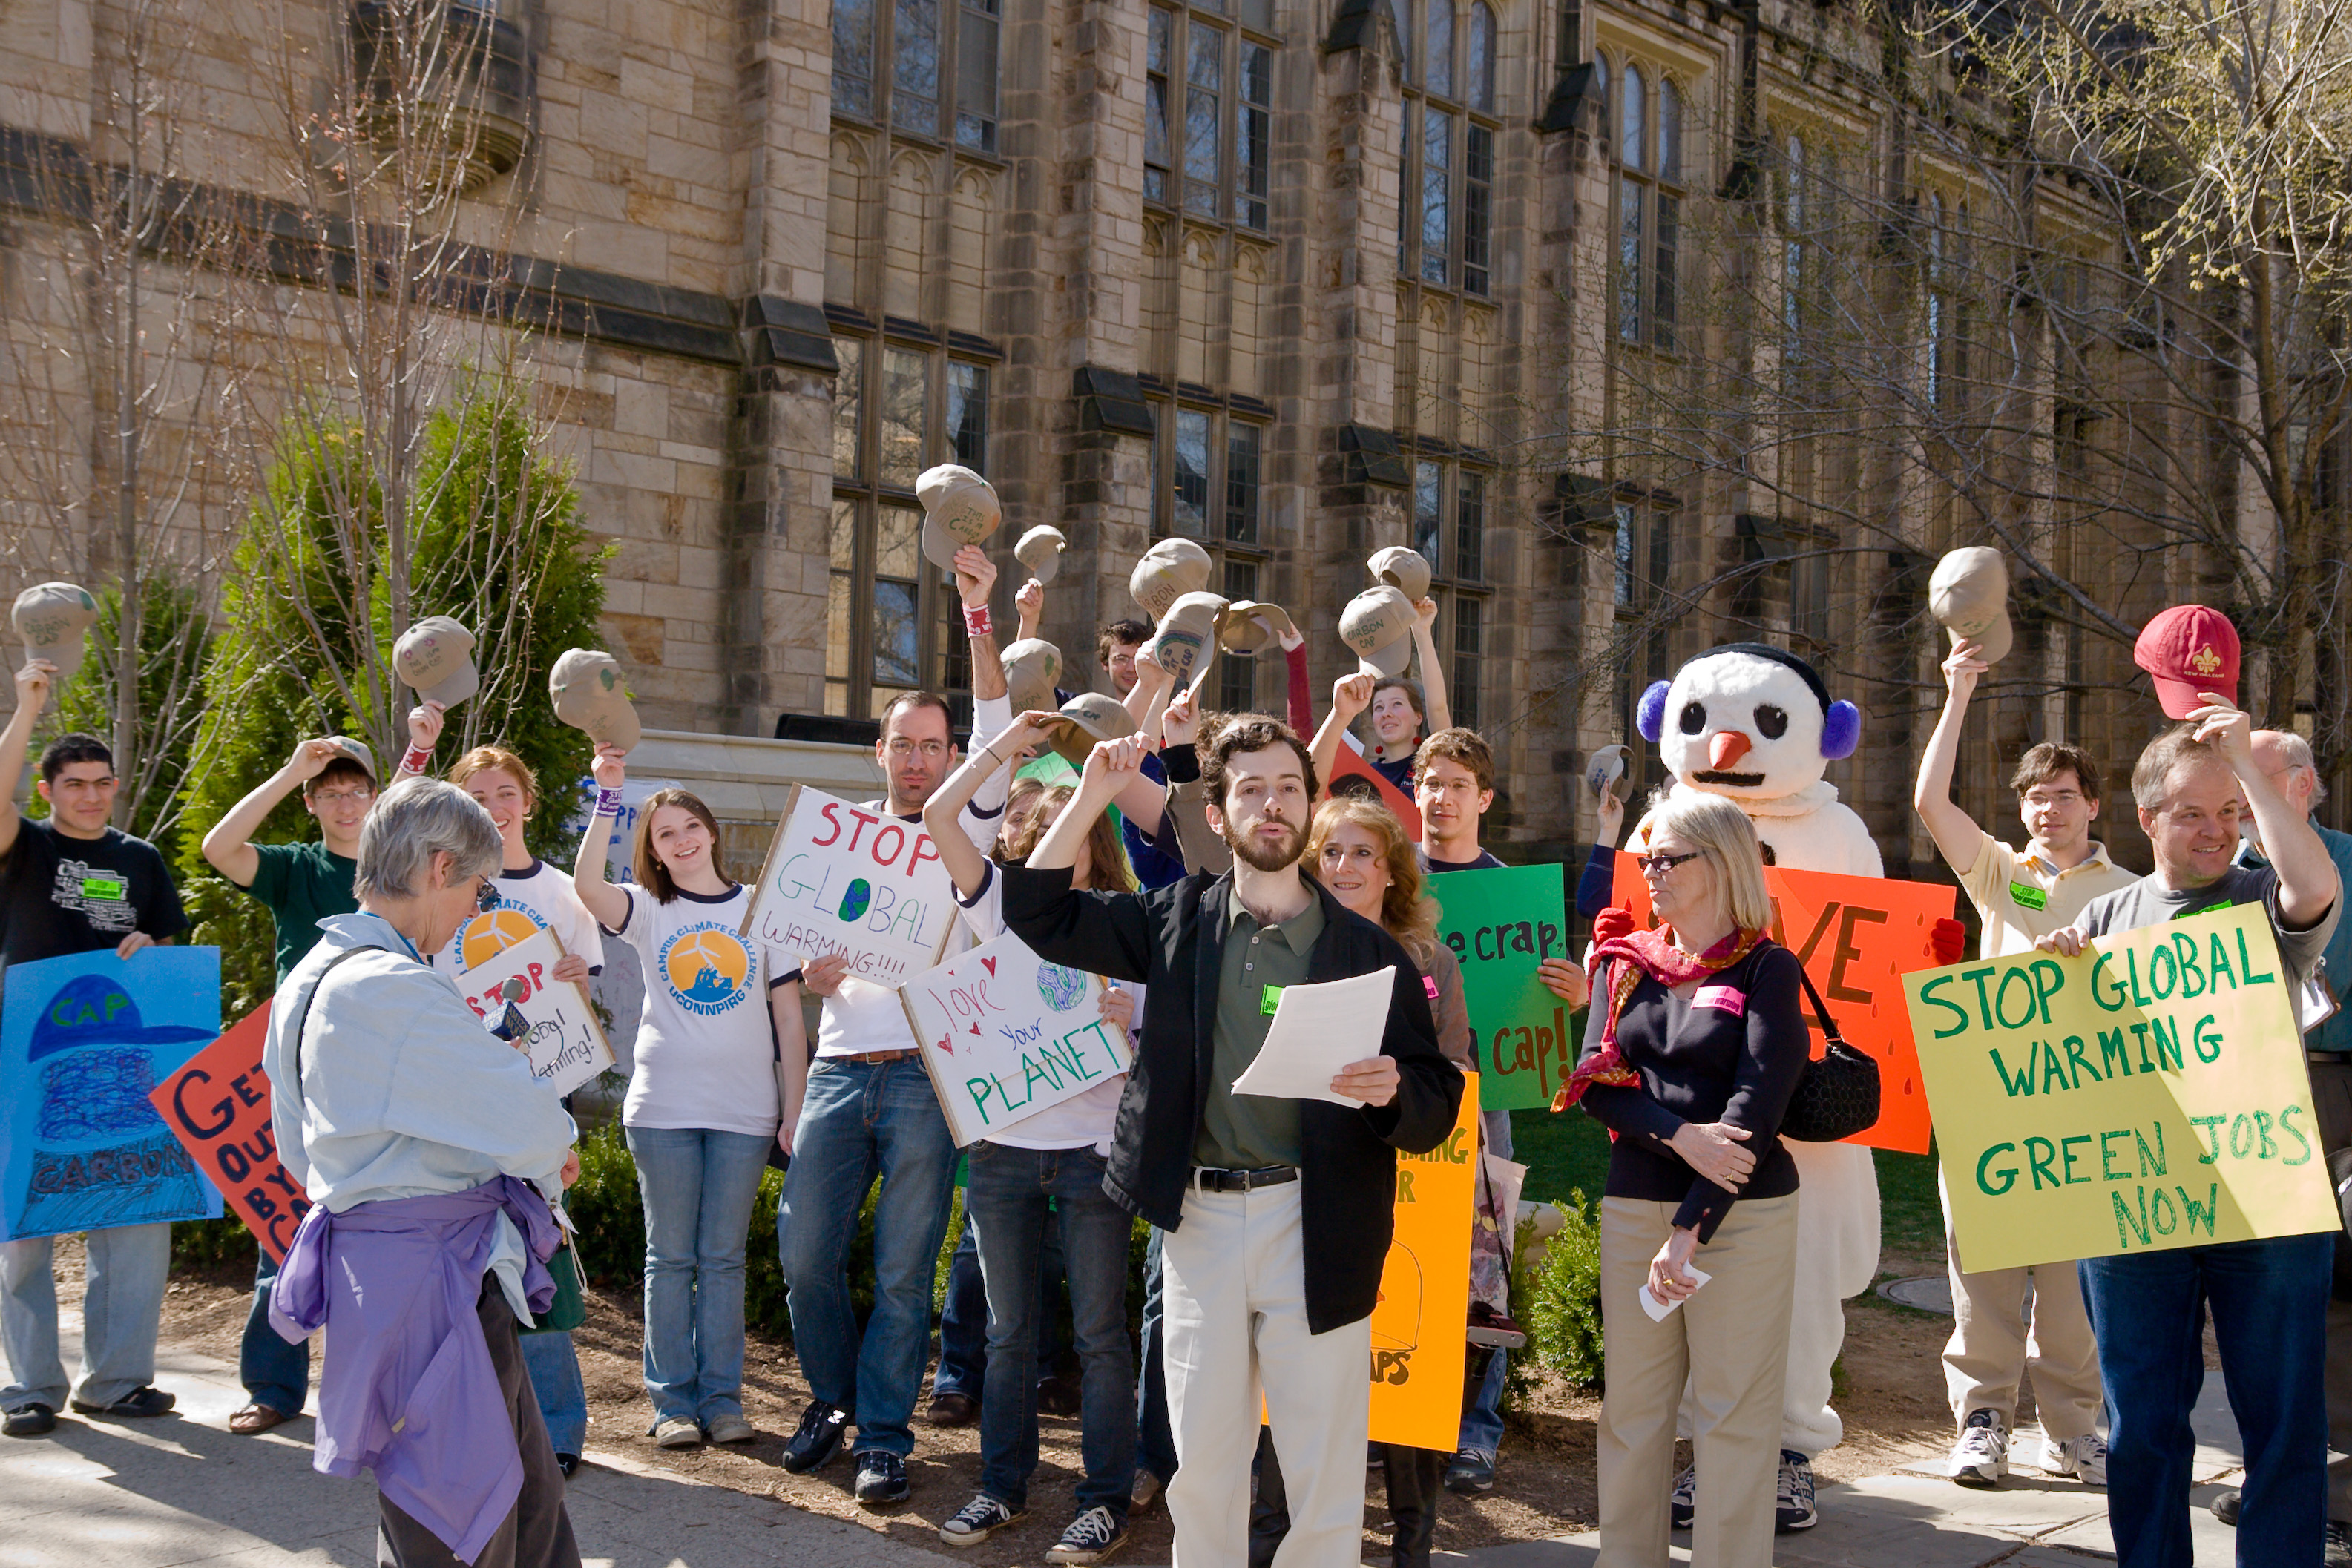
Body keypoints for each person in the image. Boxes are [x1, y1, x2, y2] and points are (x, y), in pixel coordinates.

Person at [1000, 714, 1462, 1565]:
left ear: (1308, 804)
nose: (1272, 803)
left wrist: (1395, 1087)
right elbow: (1034, 907)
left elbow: (1435, 1095)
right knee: (1203, 1469)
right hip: (1199, 1224)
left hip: (1317, 1224)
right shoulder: (1172, 919)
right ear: (1217, 814)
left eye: (1288, 786)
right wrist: (1093, 794)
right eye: (1249, 788)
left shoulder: (1368, 952)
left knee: (1321, 1475)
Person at [2034, 704, 2341, 1568]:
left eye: (2230, 812)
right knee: (2139, 1424)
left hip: (2266, 1208)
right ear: (2145, 819)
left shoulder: (2262, 898)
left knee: (2283, 1421)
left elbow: (2314, 888)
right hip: (2138, 1210)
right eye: (2191, 813)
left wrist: (2245, 764)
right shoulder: (2104, 919)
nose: (2216, 832)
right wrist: (2059, 981)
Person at [261, 777, 582, 1568]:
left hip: (395, 1272)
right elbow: (534, 1124)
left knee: (516, 1508)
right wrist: (544, 1145)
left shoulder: (311, 973)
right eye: (477, 885)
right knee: (458, 1518)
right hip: (436, 1286)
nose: (477, 907)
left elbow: (294, 1143)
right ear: (441, 867)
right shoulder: (391, 989)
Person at [779, 544, 1013, 1506]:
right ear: (877, 753)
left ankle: (882, 1434)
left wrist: (978, 617)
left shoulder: (968, 827)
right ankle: (833, 1401)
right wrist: (812, 971)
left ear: (951, 759)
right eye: (902, 745)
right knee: (803, 1255)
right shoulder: (838, 840)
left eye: (933, 746)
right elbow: (797, 954)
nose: (918, 760)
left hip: (923, 1074)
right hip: (839, 1068)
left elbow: (1001, 722)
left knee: (903, 1272)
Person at [1566, 791, 1811, 1568]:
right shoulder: (1624, 961)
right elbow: (1593, 1084)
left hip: (1741, 1216)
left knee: (1732, 1410)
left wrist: (1689, 1228)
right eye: (1647, 859)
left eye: (1668, 858)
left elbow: (1757, 1101)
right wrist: (1677, 1134)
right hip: (1635, 1199)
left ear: (1722, 862)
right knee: (1632, 1408)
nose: (1652, 872)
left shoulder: (1767, 967)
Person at [1911, 637, 2133, 1489]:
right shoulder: (2005, 876)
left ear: (2092, 805)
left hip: (2085, 1107)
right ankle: (1983, 1421)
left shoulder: (2130, 889)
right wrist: (1959, 690)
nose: (2048, 812)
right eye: (2035, 800)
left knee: (2075, 1289)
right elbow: (1930, 800)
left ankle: (2073, 1427)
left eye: (2063, 798)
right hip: (1995, 1101)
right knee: (1984, 1277)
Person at [924, 714, 1145, 1563]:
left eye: (1071, 829)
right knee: (1008, 1331)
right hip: (1003, 1151)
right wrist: (1002, 745)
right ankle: (1001, 1488)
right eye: (1038, 829)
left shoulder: (1128, 921)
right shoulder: (997, 907)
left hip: (1094, 1152)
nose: (1052, 842)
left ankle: (1103, 1500)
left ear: (1093, 842)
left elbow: (1154, 1058)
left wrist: (1131, 1022)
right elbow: (943, 818)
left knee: (1098, 1332)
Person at [1246, 794, 1471, 1568]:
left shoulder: (1429, 962)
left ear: (1389, 870)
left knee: (1406, 1358)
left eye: (1361, 853)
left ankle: (1411, 1540)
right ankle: (1269, 1536)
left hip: (1411, 1187)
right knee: (1291, 1364)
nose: (1343, 866)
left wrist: (1403, 1088)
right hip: (1300, 1182)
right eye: (1330, 851)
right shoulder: (1285, 944)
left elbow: (1454, 1074)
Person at [571, 766, 804, 1451]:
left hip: (746, 1112)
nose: (681, 841)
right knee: (671, 1258)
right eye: (664, 834)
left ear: (712, 831)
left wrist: (794, 1114)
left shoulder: (763, 909)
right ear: (653, 847)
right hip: (663, 1110)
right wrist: (608, 797)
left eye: (690, 827)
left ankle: (723, 1401)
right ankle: (672, 1403)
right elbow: (587, 888)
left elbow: (790, 1022)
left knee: (724, 1259)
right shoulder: (649, 909)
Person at [0, 660, 189, 1440]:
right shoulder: (26, 848)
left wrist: (152, 940)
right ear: (47, 789)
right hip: (29, 1063)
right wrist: (26, 707)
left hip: (123, 1067)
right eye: (74, 781)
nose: (90, 793)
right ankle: (30, 1384)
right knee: (22, 1229)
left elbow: (171, 944)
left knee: (137, 1218)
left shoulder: (141, 859)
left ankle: (116, 1380)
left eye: (101, 781)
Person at [1405, 724, 1591, 1495]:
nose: (1439, 798)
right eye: (1428, 783)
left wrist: (1579, 995)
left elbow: (1549, 1011)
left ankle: (1473, 1433)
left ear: (1482, 798)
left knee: (1479, 1270)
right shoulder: (1384, 878)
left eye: (1454, 784)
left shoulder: (1513, 897)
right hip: (1388, 1095)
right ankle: (1394, 1418)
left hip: (1481, 1108)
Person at [200, 734, 387, 1435]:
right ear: (311, 803)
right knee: (282, 1232)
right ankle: (274, 1388)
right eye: (330, 792)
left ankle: (371, 1391)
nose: (345, 803)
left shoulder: (396, 871)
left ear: (375, 796)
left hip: (380, 1075)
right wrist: (288, 769)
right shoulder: (294, 869)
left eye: (356, 789)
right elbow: (220, 850)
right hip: (298, 1074)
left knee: (379, 1237)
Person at [442, 745, 605, 1475]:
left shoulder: (562, 891)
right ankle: (474, 1422)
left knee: (539, 1255)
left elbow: (581, 1002)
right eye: (477, 793)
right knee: (459, 1262)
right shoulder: (440, 887)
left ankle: (557, 1429)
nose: (494, 804)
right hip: (455, 1102)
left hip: (539, 1098)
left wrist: (575, 977)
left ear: (528, 801)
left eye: (505, 790)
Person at [2230, 730, 2352, 1561]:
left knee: (2335, 1298)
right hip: (2240, 1093)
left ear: (2301, 786)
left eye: (2253, 780)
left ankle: (2336, 1499)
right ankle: (2274, 1475)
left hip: (2332, 1090)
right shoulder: (2219, 874)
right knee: (2255, 1300)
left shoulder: (2338, 865)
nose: (2236, 803)